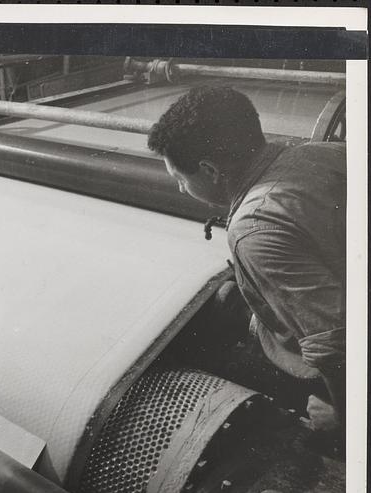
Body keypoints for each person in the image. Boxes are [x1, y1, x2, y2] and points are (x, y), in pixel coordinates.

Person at [147, 85, 346, 443]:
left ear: (209, 170)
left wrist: (345, 417)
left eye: (180, 178)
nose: (179, 189)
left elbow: (337, 344)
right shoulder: (328, 153)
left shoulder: (254, 230)